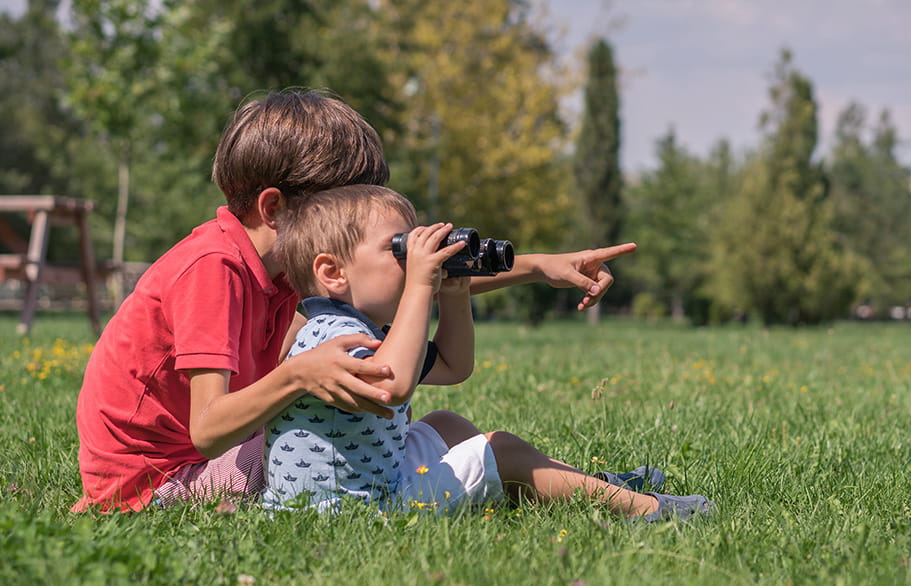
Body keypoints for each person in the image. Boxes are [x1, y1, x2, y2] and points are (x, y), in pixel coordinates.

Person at [73, 89, 639, 513]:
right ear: (276, 209)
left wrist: (541, 266)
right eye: (340, 208)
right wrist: (298, 376)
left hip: (214, 455)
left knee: (447, 426)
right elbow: (209, 429)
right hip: (157, 483)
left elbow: (397, 283)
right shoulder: (213, 270)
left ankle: (596, 490)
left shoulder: (276, 265)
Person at [262, 185, 711, 521]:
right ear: (333, 272)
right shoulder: (330, 334)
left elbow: (456, 367)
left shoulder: (369, 330)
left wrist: (454, 293)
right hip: (351, 510)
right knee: (498, 449)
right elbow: (393, 387)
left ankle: (592, 484)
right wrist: (421, 283)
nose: (413, 261)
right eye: (397, 250)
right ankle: (645, 510)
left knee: (446, 424)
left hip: (366, 482)